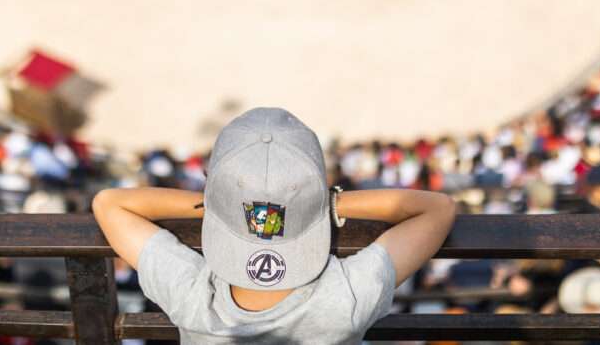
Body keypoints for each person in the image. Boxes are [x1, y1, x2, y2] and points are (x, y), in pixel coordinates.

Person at [93, 107, 455, 344]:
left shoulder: (193, 298)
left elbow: (110, 203)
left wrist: (228, 207)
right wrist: (323, 204)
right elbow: (436, 209)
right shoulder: (346, 300)